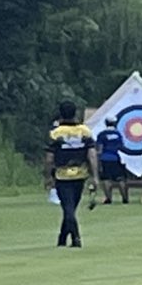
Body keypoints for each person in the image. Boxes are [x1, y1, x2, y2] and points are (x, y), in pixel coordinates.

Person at [44, 101, 97, 248]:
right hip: (80, 174)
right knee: (71, 207)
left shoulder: (56, 133)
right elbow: (92, 155)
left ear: (61, 114)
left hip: (62, 175)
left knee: (68, 208)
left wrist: (48, 176)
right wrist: (95, 176)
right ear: (75, 113)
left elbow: (49, 159)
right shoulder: (84, 131)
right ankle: (64, 238)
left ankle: (75, 237)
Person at [95, 113, 131, 205]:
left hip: (105, 158)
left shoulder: (102, 135)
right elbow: (121, 146)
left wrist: (97, 160)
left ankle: (108, 199)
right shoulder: (118, 134)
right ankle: (125, 198)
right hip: (115, 158)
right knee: (120, 179)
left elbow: (99, 149)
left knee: (106, 179)